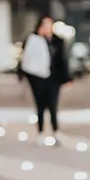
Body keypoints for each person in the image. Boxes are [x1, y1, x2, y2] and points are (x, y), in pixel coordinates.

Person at [19, 15, 72, 143]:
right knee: (40, 105)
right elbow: (26, 59)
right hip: (37, 79)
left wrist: (67, 78)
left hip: (53, 78)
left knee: (53, 105)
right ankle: (40, 132)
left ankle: (55, 131)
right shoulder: (33, 39)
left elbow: (62, 60)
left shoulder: (57, 41)